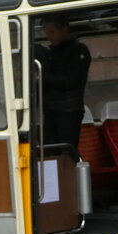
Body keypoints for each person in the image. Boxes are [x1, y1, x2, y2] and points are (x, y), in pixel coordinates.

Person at [36, 16, 90, 149]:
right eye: (47, 33)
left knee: (66, 151)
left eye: (52, 32)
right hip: (50, 110)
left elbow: (72, 80)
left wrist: (42, 78)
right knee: (49, 152)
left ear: (64, 30)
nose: (49, 37)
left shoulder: (78, 50)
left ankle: (68, 170)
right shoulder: (52, 53)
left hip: (69, 109)